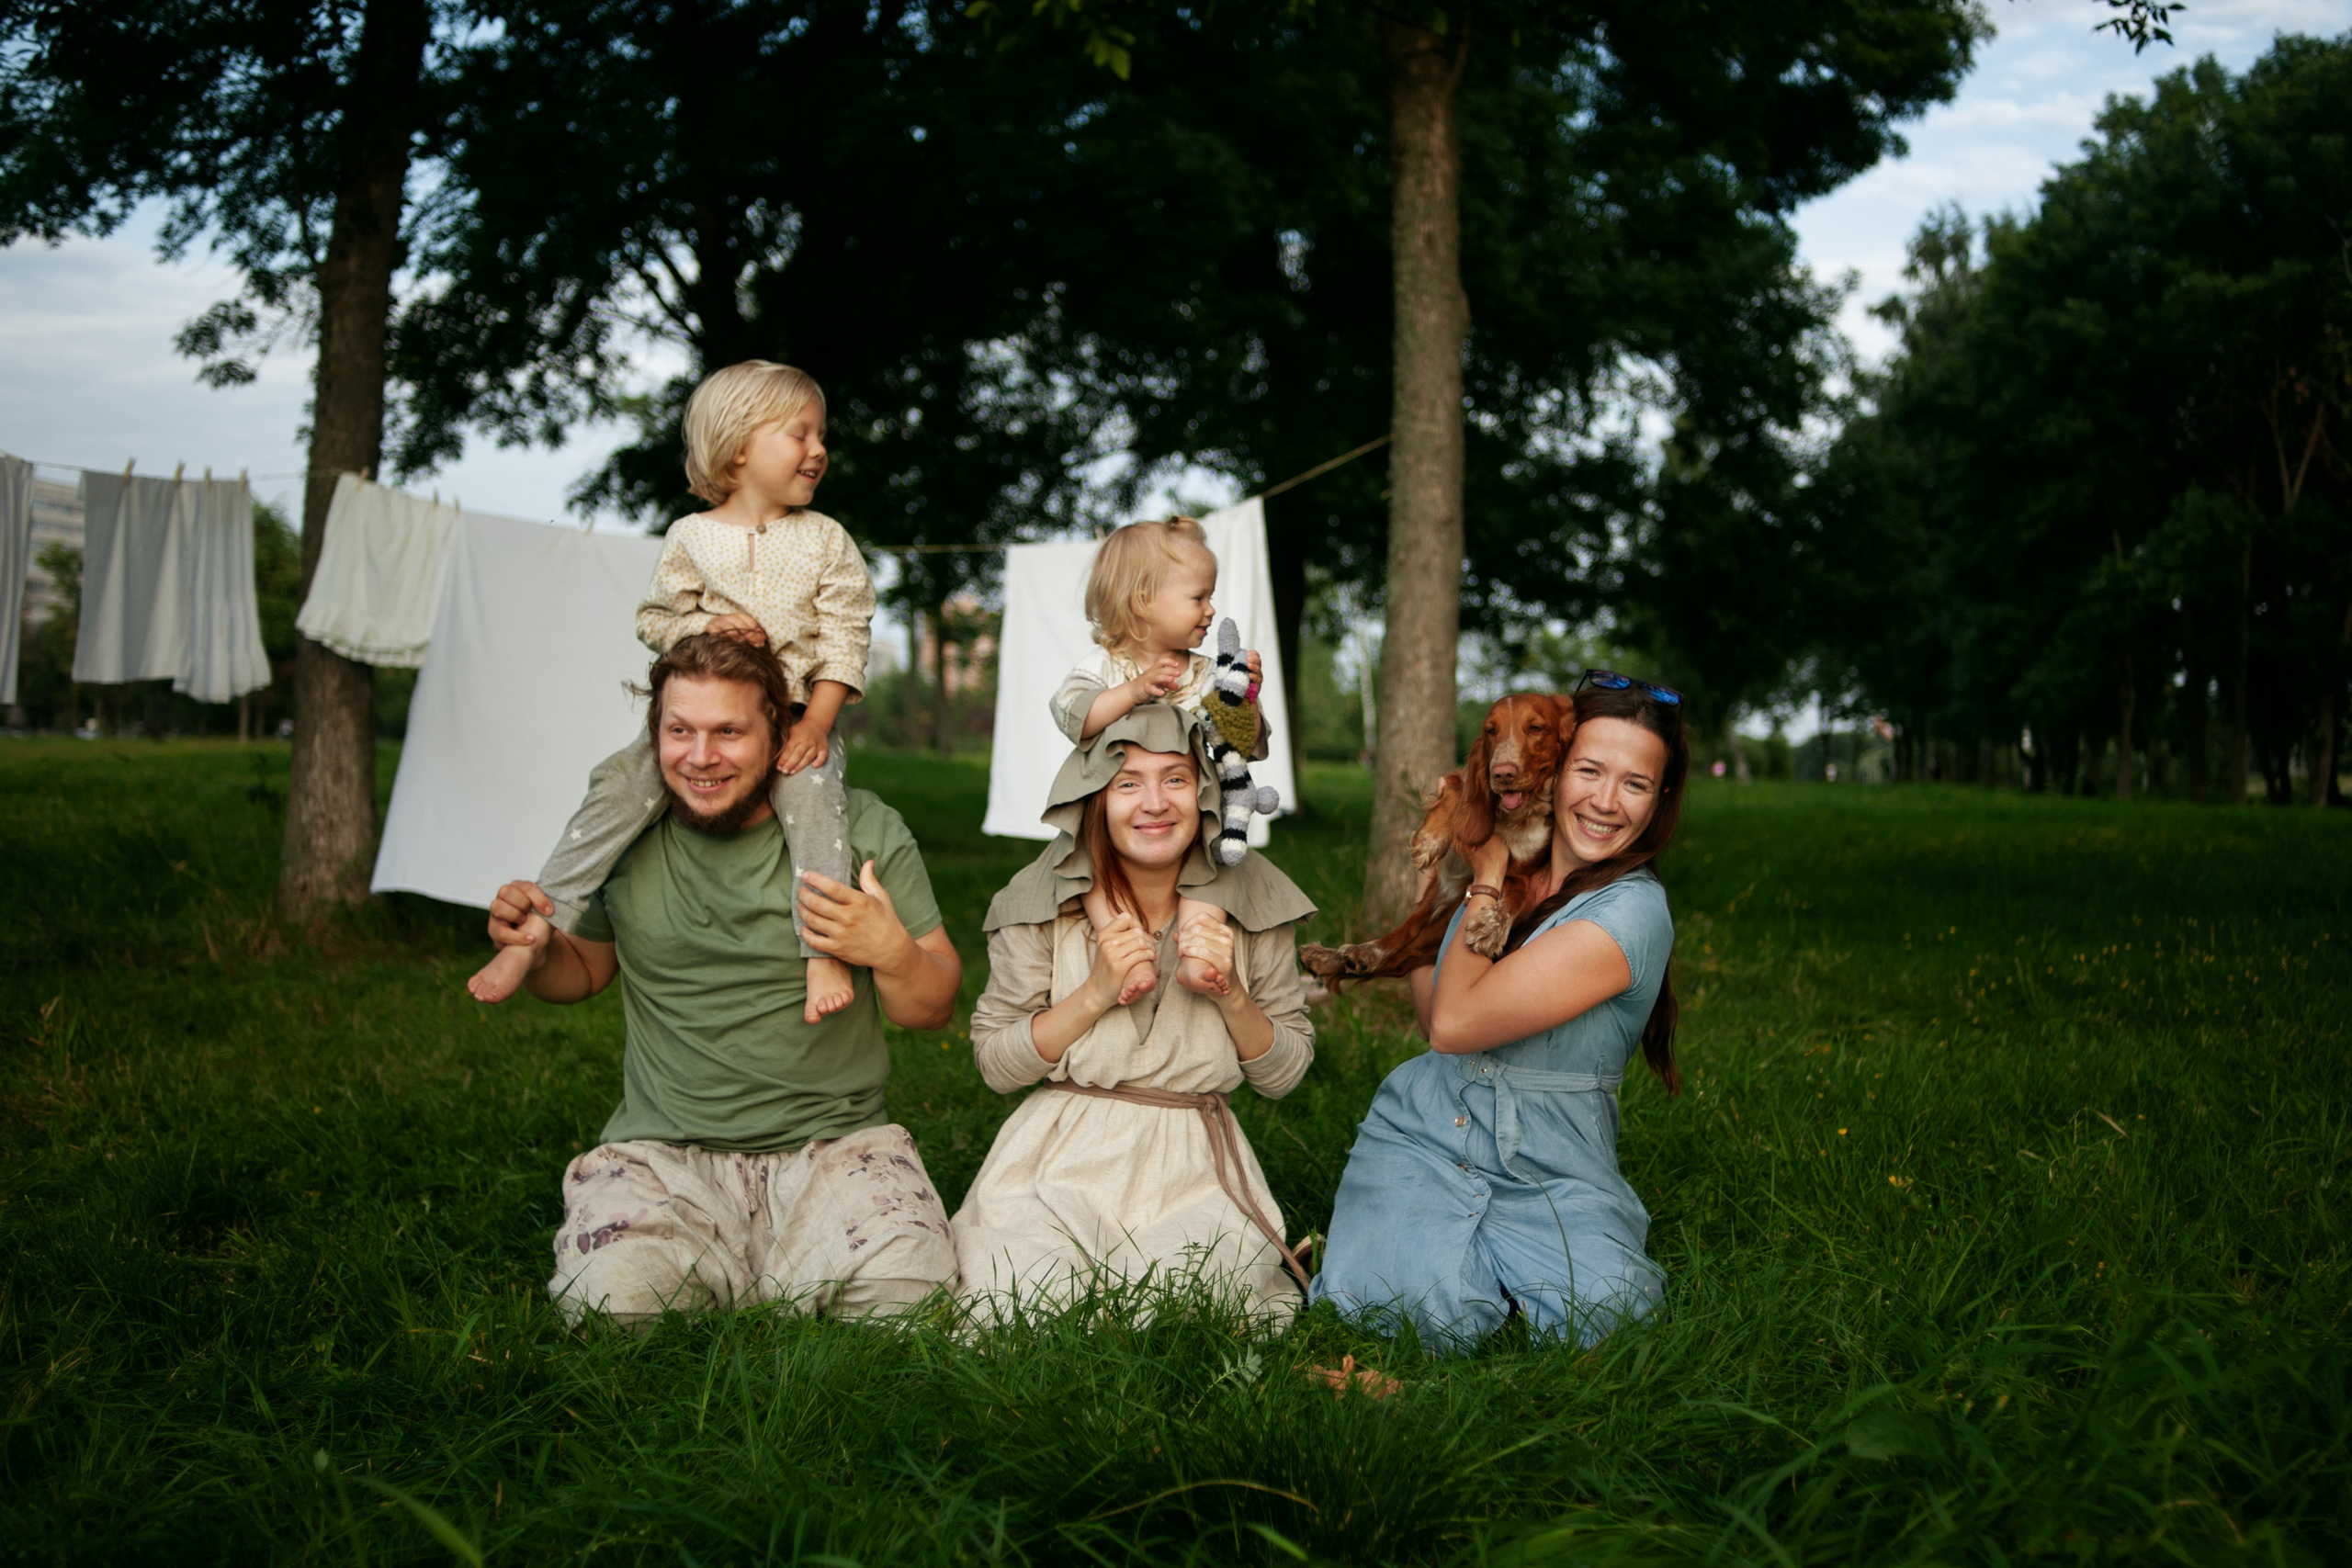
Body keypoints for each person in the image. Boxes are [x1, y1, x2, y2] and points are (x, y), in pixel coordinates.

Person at [481, 634, 963, 1327]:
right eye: (680, 731)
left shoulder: (858, 827)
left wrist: (891, 952)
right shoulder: (628, 834)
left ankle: (773, 1262)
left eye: (729, 732)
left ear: (779, 735)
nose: (701, 756)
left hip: (833, 1146)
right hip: (664, 1155)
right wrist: (537, 951)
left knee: (910, 1295)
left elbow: (932, 1008)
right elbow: (581, 972)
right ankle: (726, 1262)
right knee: (610, 1305)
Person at [469, 361, 876, 1023]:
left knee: (815, 800)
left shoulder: (826, 540)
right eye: (800, 434)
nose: (819, 448)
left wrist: (816, 725)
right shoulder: (690, 536)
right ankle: (541, 922)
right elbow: (654, 620)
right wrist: (703, 627)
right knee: (618, 786)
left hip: (797, 712)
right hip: (700, 715)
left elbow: (845, 637)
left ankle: (822, 950)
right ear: (738, 447)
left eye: (821, 435)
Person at [1313, 675, 1689, 1350]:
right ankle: (1427, 1255)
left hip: (1551, 1167)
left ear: (1660, 798)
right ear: (1557, 769)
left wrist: (1484, 872)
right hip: (1427, 1132)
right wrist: (1444, 890)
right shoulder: (1518, 870)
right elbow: (1438, 1023)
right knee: (1397, 1313)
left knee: (1611, 1321)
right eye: (1590, 771)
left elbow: (1457, 1022)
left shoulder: (1632, 911)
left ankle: (1477, 1266)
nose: (1605, 801)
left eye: (1635, 783)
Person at [954, 705, 1317, 1322]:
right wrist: (1094, 992)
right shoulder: (1040, 900)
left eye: (1175, 778)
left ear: (1205, 792)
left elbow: (1283, 1076)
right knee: (1021, 1302)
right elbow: (997, 1064)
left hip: (1192, 1161)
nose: (1154, 803)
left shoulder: (1253, 896)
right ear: (1094, 798)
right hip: (1058, 1154)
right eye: (1128, 783)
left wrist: (1231, 994)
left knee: (1185, 1307)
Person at [1052, 516, 1267, 1004]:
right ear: (1143, 601)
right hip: (1111, 809)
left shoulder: (1208, 673)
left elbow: (1242, 743)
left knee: (1212, 866)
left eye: (1211, 597)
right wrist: (1132, 691)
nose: (1211, 610)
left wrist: (1245, 697)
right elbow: (1075, 716)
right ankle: (1124, 950)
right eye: (1198, 597)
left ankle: (1197, 952)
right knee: (1091, 868)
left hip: (1192, 806)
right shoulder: (1105, 666)